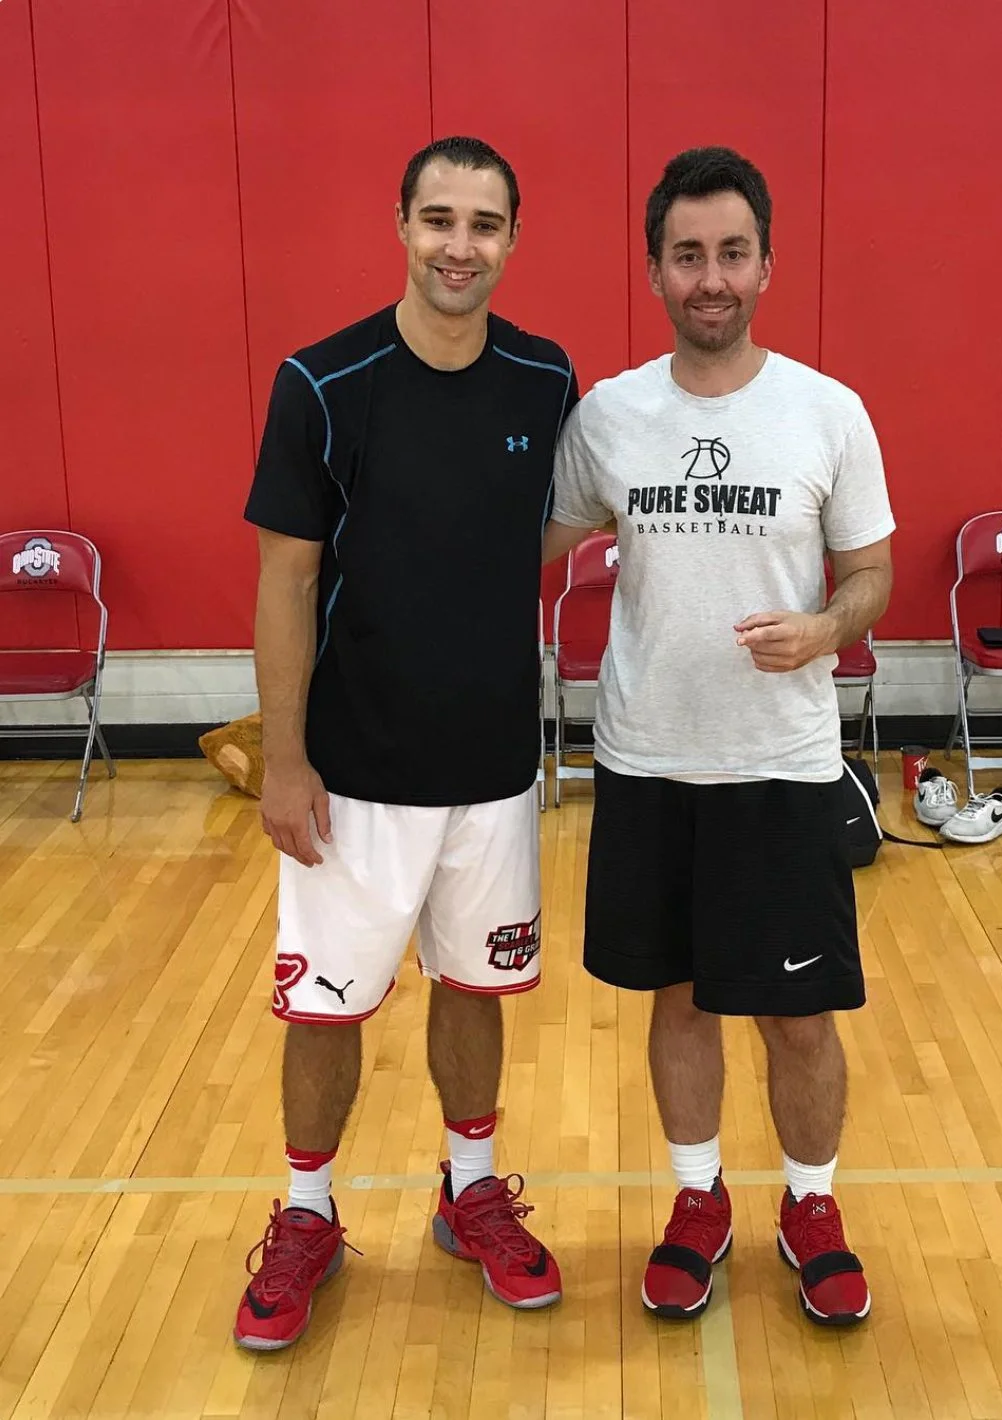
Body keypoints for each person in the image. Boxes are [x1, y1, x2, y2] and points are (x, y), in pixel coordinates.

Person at [236, 136, 577, 1350]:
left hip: (491, 768)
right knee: (326, 1005)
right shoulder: (324, 382)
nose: (459, 244)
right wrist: (285, 759)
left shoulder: (545, 377)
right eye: (438, 218)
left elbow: (539, 529)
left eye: (483, 224)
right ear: (400, 223)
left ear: (513, 240)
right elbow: (286, 579)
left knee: (475, 988)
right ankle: (306, 1211)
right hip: (354, 771)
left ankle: (469, 1187)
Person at [544, 147, 893, 1326]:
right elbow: (527, 537)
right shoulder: (608, 416)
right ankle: (699, 1202)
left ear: (765, 264)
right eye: (686, 254)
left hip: (781, 769)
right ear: (654, 270)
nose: (710, 276)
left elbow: (873, 572)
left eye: (730, 252)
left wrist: (825, 626)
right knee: (681, 998)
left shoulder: (825, 410)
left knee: (800, 1012)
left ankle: (811, 1205)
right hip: (647, 759)